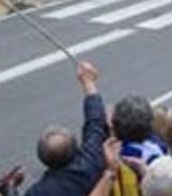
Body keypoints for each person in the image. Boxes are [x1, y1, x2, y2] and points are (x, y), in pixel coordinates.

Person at [25, 61, 109, 196]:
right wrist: (88, 83)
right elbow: (95, 122)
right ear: (75, 148)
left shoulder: (39, 192)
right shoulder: (91, 162)